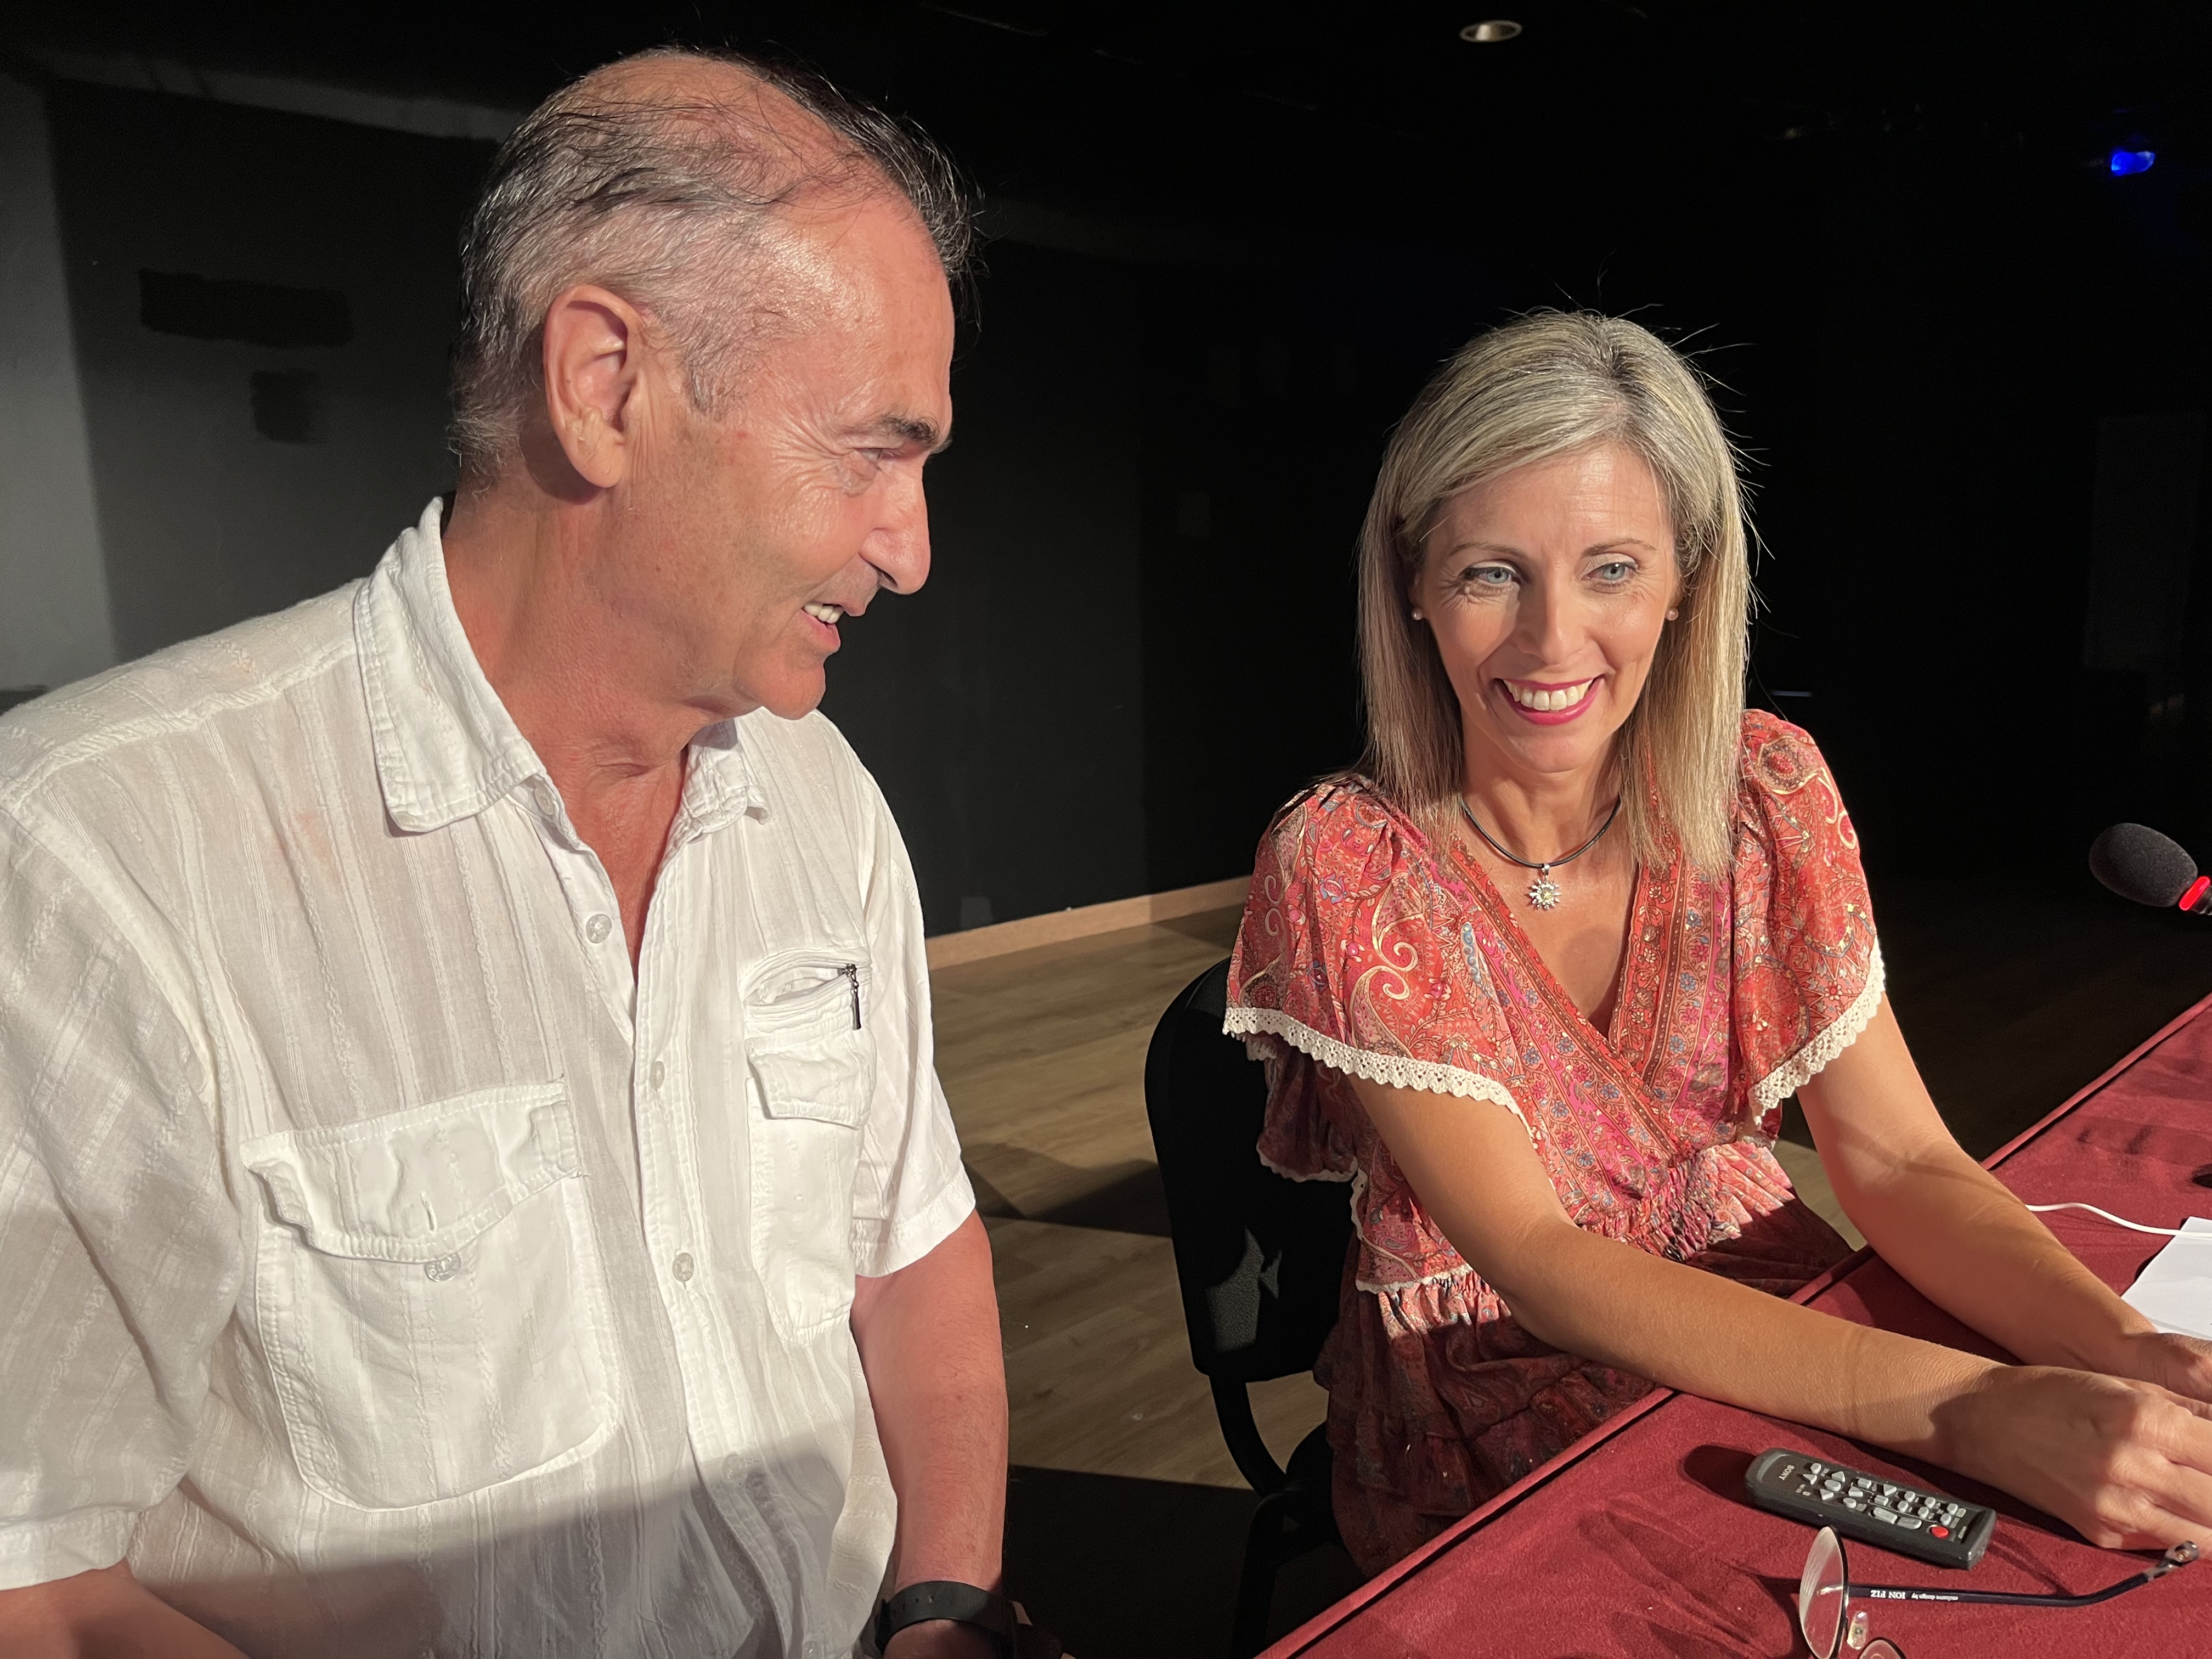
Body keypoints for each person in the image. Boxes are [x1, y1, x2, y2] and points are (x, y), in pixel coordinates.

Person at [0, 48, 1022, 1659]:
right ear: (605, 384)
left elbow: (911, 1256)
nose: (910, 546)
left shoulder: (822, 799)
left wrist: (946, 1605)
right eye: (869, 451)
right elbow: (34, 1581)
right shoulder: (100, 858)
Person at [1226, 311, 2212, 1574]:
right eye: (1489, 573)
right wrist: (1966, 1406)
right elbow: (1536, 1261)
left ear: (1689, 575)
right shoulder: (1347, 863)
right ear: (1411, 581)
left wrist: (2121, 1347)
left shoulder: (1766, 790)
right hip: (1484, 1404)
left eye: (1612, 569)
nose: (1550, 642)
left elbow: (1901, 1160)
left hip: (1767, 1303)